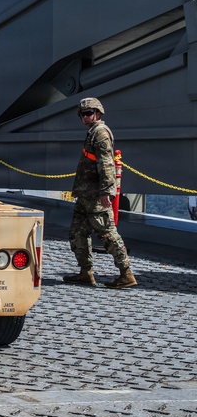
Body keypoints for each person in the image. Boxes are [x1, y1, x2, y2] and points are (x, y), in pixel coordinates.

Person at [63, 97, 136, 289]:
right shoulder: (92, 133)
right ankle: (85, 273)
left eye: (88, 113)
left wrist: (106, 191)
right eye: (82, 114)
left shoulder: (101, 134)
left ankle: (126, 274)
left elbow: (106, 164)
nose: (84, 117)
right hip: (85, 194)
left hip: (96, 195)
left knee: (107, 234)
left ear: (98, 113)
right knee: (77, 233)